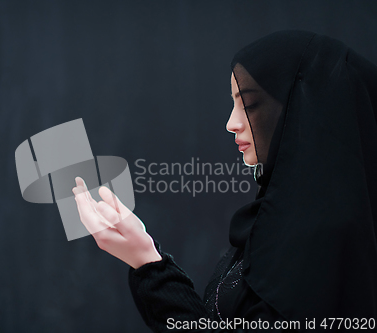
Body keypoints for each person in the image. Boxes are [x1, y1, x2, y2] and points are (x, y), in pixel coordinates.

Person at [72, 30, 377, 332]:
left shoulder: (325, 243)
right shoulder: (280, 223)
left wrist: (149, 265)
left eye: (250, 104)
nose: (232, 123)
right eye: (235, 103)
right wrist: (147, 259)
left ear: (302, 109)